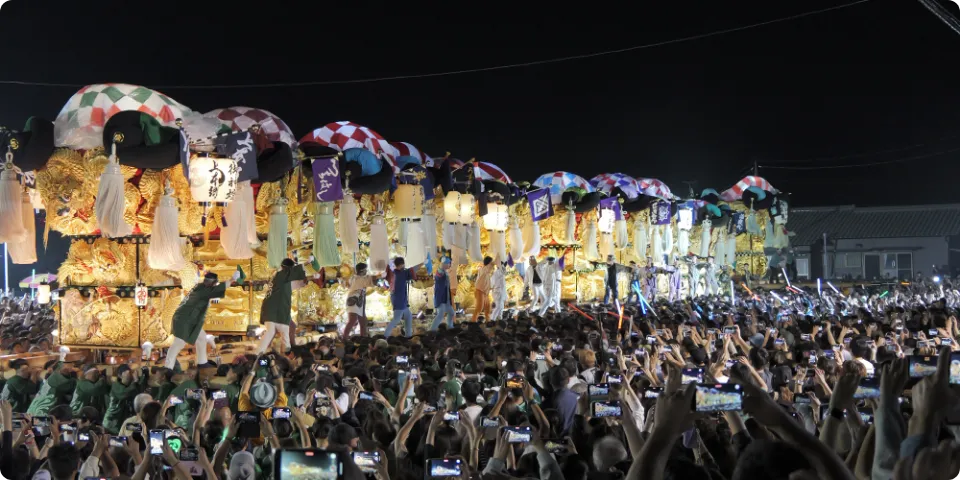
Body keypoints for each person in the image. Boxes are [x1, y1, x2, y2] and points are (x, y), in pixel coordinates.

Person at [165, 270, 238, 369]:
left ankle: (202, 363)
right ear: (213, 283)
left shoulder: (200, 287)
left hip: (187, 319)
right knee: (179, 343)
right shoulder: (204, 290)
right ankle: (167, 367)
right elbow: (221, 287)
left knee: (201, 338)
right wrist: (233, 279)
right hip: (184, 320)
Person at [257, 257, 311, 354]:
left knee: (277, 331)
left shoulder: (281, 278)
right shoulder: (280, 275)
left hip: (275, 310)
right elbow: (296, 275)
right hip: (276, 310)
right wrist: (307, 262)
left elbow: (299, 283)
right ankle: (260, 354)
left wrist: (311, 278)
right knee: (275, 332)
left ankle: (272, 353)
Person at [385, 257, 422, 338]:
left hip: (400, 299)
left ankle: (408, 336)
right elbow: (413, 269)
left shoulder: (395, 273)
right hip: (399, 300)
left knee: (408, 316)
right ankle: (385, 336)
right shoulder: (401, 273)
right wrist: (422, 262)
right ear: (402, 264)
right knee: (396, 319)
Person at [342, 262, 377, 338]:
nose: (366, 271)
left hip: (358, 299)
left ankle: (362, 338)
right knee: (353, 320)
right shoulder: (360, 279)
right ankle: (344, 337)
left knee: (363, 320)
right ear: (362, 271)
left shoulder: (354, 277)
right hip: (354, 299)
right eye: (365, 270)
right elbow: (373, 281)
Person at [430, 258, 456, 331]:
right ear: (444, 264)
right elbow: (439, 273)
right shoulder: (440, 271)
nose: (450, 265)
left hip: (446, 299)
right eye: (449, 263)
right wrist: (442, 264)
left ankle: (450, 327)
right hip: (441, 298)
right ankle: (432, 330)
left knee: (451, 313)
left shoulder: (445, 272)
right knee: (440, 315)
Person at [473, 256, 495, 322]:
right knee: (479, 308)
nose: (493, 266)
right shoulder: (485, 269)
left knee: (488, 309)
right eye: (491, 264)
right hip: (480, 291)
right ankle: (472, 323)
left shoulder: (486, 272)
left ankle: (488, 322)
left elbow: (486, 283)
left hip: (485, 292)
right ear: (488, 264)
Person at [490, 255, 508, 321]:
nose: (504, 268)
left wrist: (505, 297)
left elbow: (504, 286)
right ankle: (492, 319)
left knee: (501, 307)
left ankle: (499, 319)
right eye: (503, 266)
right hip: (498, 293)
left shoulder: (501, 273)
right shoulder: (496, 273)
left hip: (501, 293)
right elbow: (491, 284)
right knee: (498, 307)